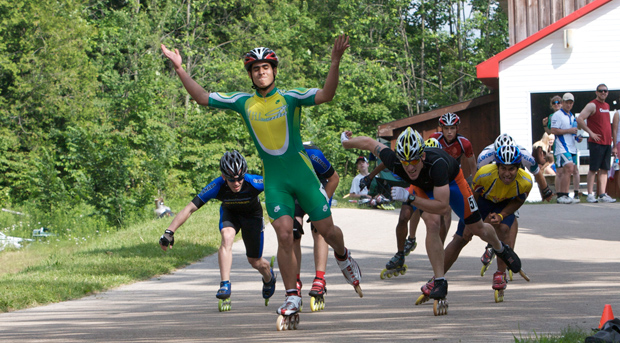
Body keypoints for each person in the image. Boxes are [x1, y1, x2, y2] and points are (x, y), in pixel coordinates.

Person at [161, 35, 362, 320]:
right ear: (251, 74)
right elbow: (203, 98)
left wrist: (335, 60)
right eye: (255, 68)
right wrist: (180, 69)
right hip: (276, 181)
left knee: (328, 232)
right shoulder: (244, 102)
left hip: (303, 176)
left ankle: (343, 255)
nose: (261, 72)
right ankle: (292, 296)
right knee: (284, 234)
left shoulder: (291, 98)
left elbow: (327, 94)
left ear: (274, 70)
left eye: (266, 67)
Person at [342, 128, 522, 311]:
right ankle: (440, 280)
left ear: (422, 156)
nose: (410, 167)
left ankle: (501, 248)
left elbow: (443, 206)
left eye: (413, 161)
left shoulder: (437, 164)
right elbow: (369, 143)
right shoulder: (396, 160)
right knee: (432, 223)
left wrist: (409, 198)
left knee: (478, 228)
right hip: (423, 186)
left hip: (451, 182)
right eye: (405, 162)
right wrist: (346, 142)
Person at [158, 151, 276, 310]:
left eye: (240, 179)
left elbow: (280, 185)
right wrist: (169, 232)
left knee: (255, 262)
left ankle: (269, 277)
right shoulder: (216, 185)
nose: (236, 183)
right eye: (231, 180)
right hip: (230, 215)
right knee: (227, 237)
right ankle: (225, 284)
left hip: (252, 217)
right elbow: (189, 208)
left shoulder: (254, 182)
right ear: (223, 176)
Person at [441, 145, 532, 301]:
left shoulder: (526, 181)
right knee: (461, 238)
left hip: (504, 204)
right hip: (480, 203)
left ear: (519, 168)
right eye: (503, 168)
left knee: (503, 229)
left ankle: (500, 274)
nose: (507, 173)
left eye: (512, 169)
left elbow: (518, 201)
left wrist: (502, 215)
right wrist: (471, 221)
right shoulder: (484, 174)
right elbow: (471, 198)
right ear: (497, 167)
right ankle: (438, 276)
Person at [293, 143, 338, 311]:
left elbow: (334, 178)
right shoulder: (282, 159)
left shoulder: (314, 155)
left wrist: (321, 206)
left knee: (319, 230)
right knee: (293, 232)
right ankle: (295, 280)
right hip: (296, 191)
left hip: (319, 187)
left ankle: (320, 279)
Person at [576, 84, 617, 203]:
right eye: (601, 91)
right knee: (593, 168)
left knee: (605, 169)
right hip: (596, 142)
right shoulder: (592, 105)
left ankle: (602, 194)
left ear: (607, 92)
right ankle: (590, 194)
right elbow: (580, 118)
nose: (603, 93)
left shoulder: (607, 105)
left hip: (607, 142)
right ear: (596, 92)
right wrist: (591, 133)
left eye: (605, 91)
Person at [550, 93, 581, 204]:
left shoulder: (572, 116)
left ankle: (565, 194)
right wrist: (569, 131)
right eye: (566, 102)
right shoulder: (557, 115)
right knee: (567, 168)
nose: (568, 105)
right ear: (562, 102)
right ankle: (562, 195)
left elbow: (573, 132)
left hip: (572, 146)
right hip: (562, 146)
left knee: (570, 169)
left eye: (570, 103)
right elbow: (553, 130)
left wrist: (577, 137)